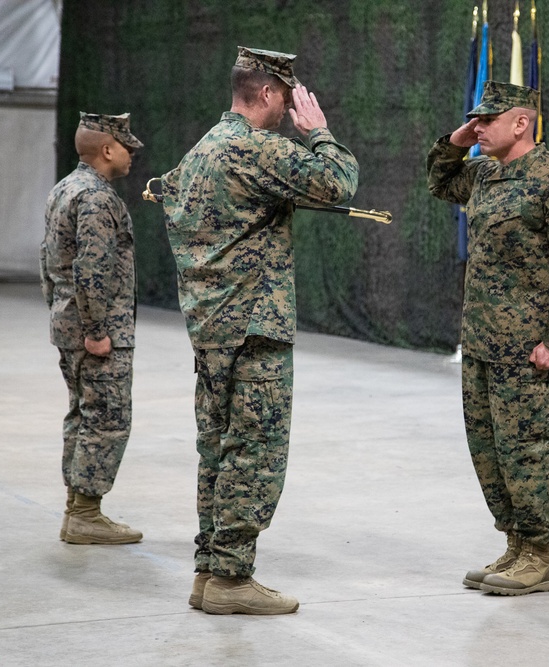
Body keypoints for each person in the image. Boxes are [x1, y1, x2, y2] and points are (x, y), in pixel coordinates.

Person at [159, 46, 359, 615]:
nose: (289, 109)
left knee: (216, 449)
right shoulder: (254, 147)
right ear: (268, 93)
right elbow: (338, 182)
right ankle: (231, 579)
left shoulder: (200, 150)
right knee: (255, 451)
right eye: (286, 97)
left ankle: (209, 571)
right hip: (253, 326)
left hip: (211, 325)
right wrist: (319, 133)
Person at [427, 81, 549, 596]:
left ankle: (539, 555)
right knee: (488, 450)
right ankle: (516, 545)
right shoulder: (483, 172)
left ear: (521, 123)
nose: (479, 125)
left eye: (488, 119)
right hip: (481, 343)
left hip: (528, 351)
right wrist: (460, 140)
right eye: (475, 118)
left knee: (525, 449)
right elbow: (440, 180)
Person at [40, 112, 144, 545]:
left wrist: (60, 312)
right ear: (106, 149)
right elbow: (91, 268)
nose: (132, 153)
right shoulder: (97, 198)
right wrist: (98, 329)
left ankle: (76, 509)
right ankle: (85, 514)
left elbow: (47, 260)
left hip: (68, 321)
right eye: (125, 146)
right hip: (95, 329)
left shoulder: (65, 188)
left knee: (82, 414)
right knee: (106, 418)